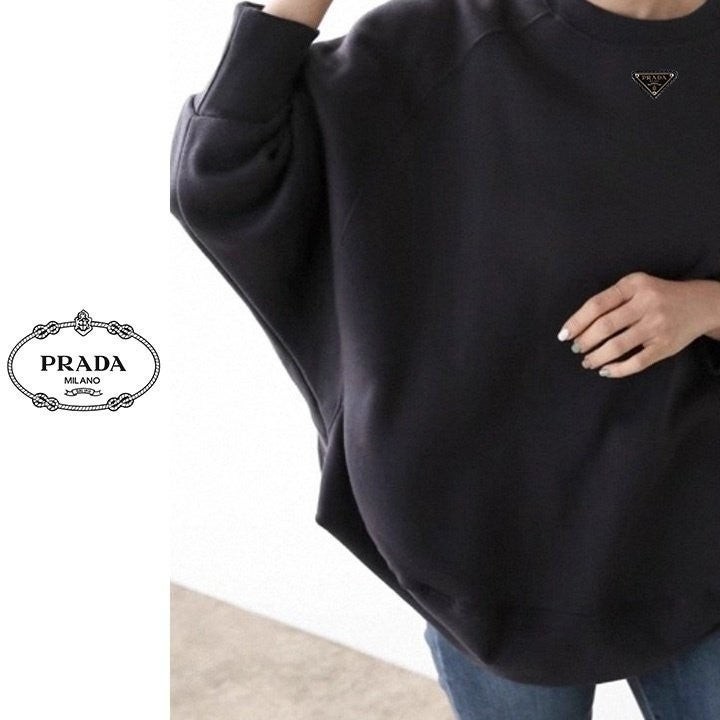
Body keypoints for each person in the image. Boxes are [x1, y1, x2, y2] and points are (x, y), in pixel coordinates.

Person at [170, 0, 720, 716]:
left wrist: (706, 306)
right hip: (493, 554)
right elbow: (220, 171)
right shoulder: (445, 42)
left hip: (695, 535)